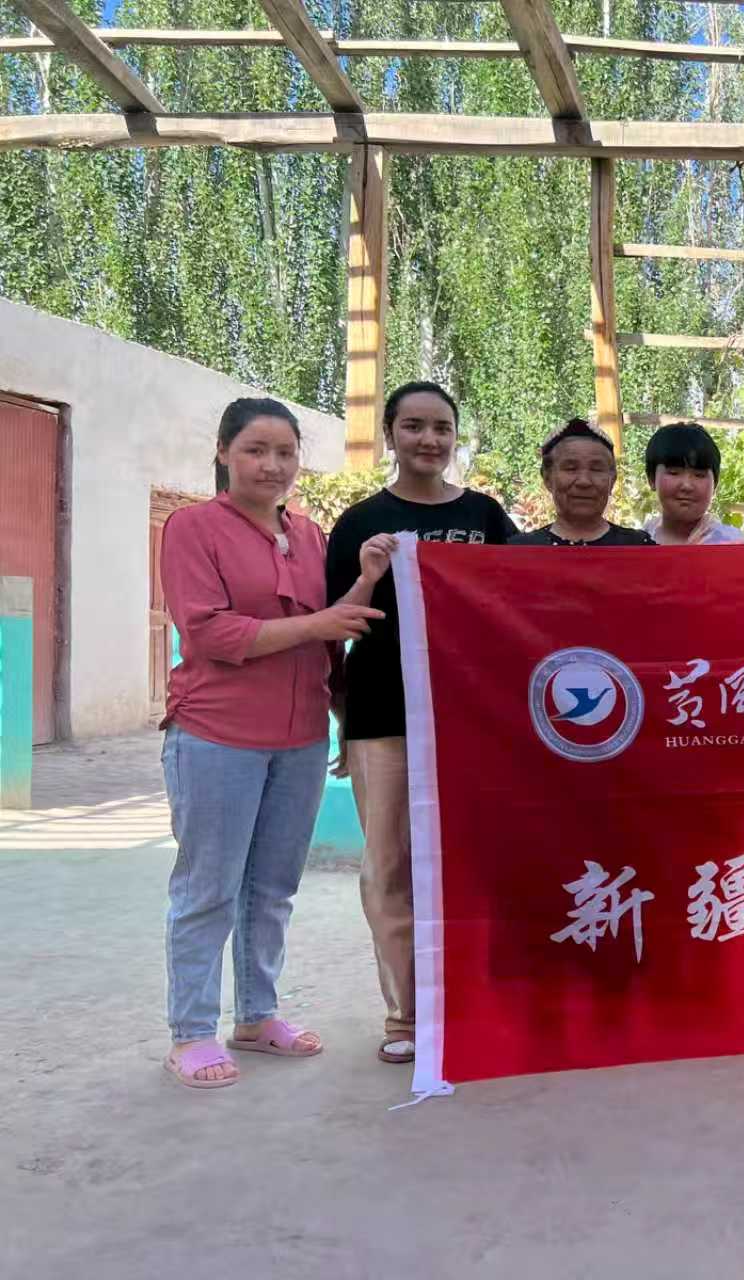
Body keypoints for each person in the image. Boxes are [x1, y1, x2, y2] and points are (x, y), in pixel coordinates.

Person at [159, 398, 386, 1089]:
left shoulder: (310, 536)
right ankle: (192, 1031)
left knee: (273, 886)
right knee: (209, 887)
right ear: (224, 453)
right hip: (216, 734)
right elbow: (209, 633)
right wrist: (318, 625)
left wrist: (367, 578)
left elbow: (334, 635)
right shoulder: (192, 528)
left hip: (299, 739)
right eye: (255, 450)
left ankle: (257, 1017)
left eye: (285, 452)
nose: (272, 465)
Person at [326, 381, 516, 1065]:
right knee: (389, 867)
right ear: (390, 435)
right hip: (382, 717)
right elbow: (333, 626)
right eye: (413, 426)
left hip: (472, 719)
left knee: (479, 862)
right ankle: (406, 1015)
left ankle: (475, 1001)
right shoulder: (360, 523)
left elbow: (523, 602)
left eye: (441, 427)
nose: (428, 440)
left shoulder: (485, 517)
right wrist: (341, 717)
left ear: (455, 436)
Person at [512, 420, 655, 546]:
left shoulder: (639, 548)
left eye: (596, 469)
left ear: (612, 480)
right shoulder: (519, 552)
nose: (584, 481)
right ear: (547, 478)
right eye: (571, 469)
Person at [642, 422, 744, 545]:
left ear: (715, 484)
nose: (687, 485)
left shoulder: (733, 544)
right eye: (674, 473)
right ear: (651, 479)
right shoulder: (638, 543)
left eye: (699, 475)